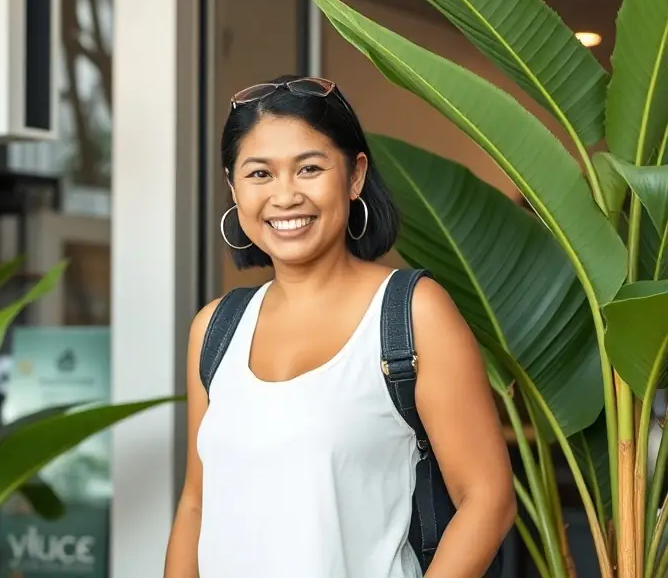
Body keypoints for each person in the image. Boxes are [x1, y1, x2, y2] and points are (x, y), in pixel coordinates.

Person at [163, 75, 516, 577]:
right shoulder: (215, 328)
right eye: (259, 174)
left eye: (309, 168)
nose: (285, 196)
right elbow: (197, 503)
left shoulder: (411, 313)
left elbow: (489, 500)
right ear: (233, 188)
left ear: (354, 176)